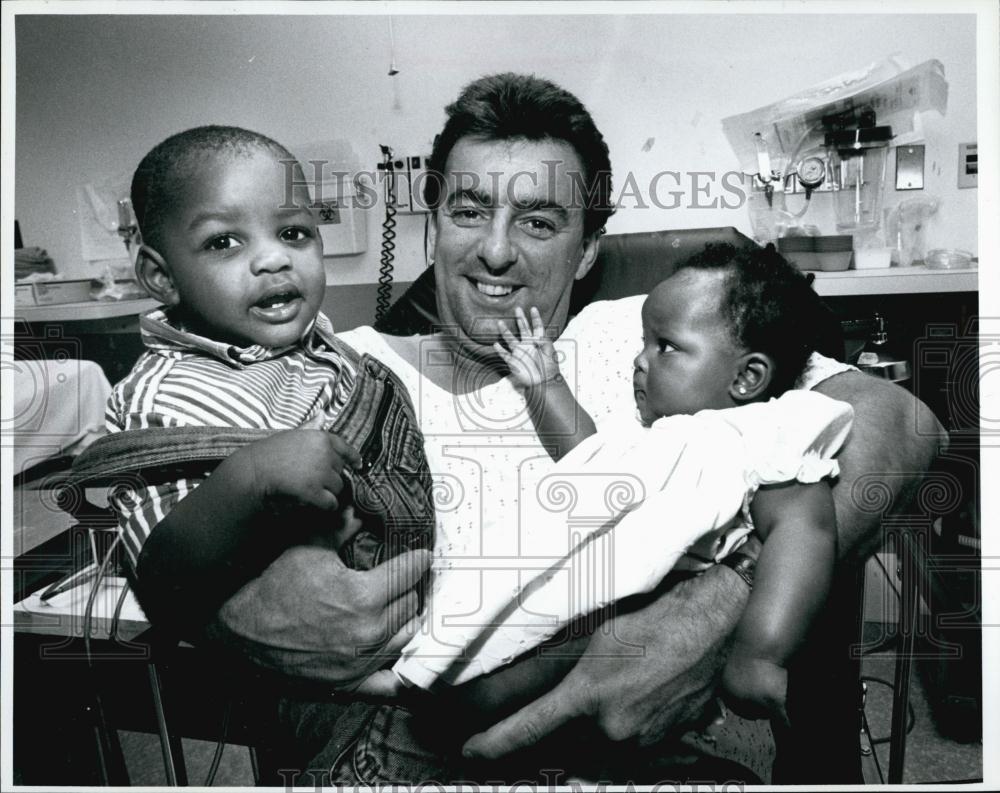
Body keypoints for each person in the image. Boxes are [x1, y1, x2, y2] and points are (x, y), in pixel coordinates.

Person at [195, 74, 945, 784]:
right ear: (434, 226)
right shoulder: (339, 369)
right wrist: (229, 613)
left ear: (587, 248)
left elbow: (903, 424)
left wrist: (716, 609)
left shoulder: (657, 341)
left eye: (538, 221)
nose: (495, 249)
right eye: (467, 210)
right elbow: (177, 527)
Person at [424, 243, 849, 724]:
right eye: (643, 343)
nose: (639, 361)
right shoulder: (653, 437)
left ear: (748, 377)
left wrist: (761, 654)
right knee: (471, 687)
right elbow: (589, 461)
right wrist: (546, 384)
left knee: (489, 698)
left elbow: (807, 531)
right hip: (593, 598)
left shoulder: (760, 436)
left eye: (665, 346)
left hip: (650, 617)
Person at [103, 125, 434, 660]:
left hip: (400, 600)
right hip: (306, 662)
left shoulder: (324, 348)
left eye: (294, 233)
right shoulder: (166, 395)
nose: (274, 259)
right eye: (223, 242)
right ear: (161, 277)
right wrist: (250, 478)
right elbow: (161, 574)